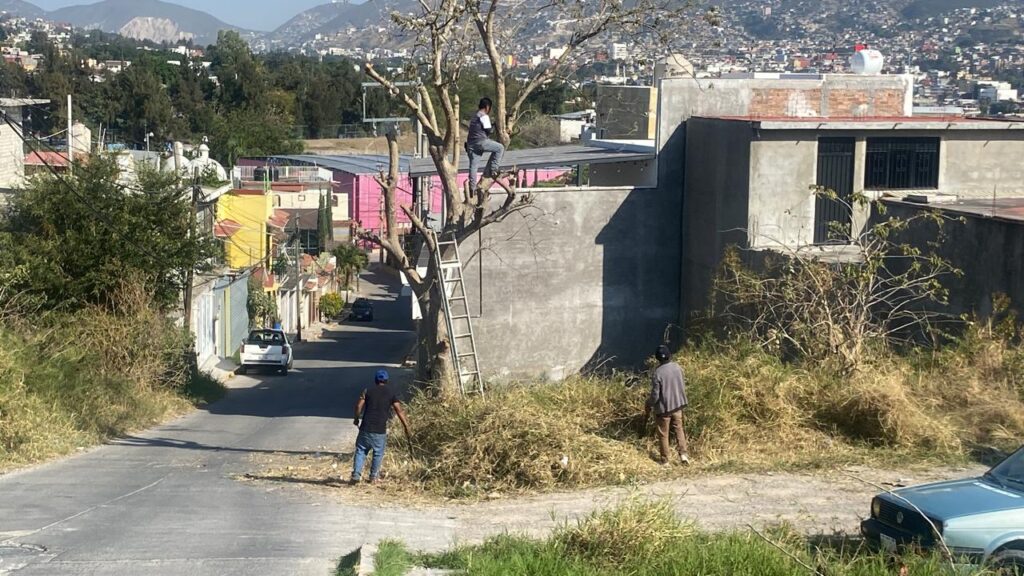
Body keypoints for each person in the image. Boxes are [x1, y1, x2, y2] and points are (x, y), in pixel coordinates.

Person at [351, 368, 411, 484]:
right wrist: (406, 426)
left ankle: (356, 474)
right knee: (378, 453)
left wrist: (356, 419)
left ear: (375, 380)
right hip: (380, 430)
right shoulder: (391, 393)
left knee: (361, 450)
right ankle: (373, 477)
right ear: (387, 380)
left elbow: (358, 406)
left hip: (365, 428)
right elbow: (399, 410)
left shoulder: (367, 391)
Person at [645, 345, 690, 465]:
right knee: (679, 429)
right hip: (678, 405)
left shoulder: (657, 373)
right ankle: (684, 455)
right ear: (670, 355)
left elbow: (655, 395)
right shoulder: (678, 367)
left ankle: (665, 461)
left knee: (663, 434)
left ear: (657, 358)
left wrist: (649, 404)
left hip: (664, 408)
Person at [466, 97, 505, 194]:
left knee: (473, 166)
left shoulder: (474, 116)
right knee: (500, 148)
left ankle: (472, 187)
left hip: (471, 144)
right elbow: (489, 130)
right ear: (487, 107)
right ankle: (494, 169)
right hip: (481, 142)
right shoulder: (484, 116)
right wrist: (495, 125)